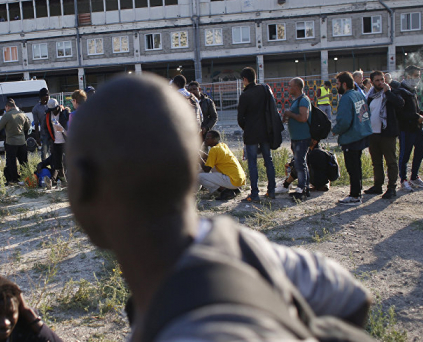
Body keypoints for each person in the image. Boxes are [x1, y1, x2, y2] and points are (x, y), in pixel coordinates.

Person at [65, 74, 373, 341]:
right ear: (189, 169)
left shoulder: (195, 332)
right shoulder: (246, 248)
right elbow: (352, 297)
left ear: (86, 186)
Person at [332, 71, 373, 205]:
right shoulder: (358, 94)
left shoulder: (346, 98)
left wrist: (335, 130)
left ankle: (355, 196)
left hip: (351, 137)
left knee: (352, 167)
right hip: (361, 134)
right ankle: (357, 192)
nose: (336, 86)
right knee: (357, 166)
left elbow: (344, 121)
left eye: (338, 84)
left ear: (344, 84)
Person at [237, 67, 276, 202]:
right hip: (266, 132)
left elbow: (240, 118)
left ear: (245, 79)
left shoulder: (245, 95)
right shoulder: (264, 90)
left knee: (252, 163)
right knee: (268, 160)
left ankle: (254, 194)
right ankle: (271, 191)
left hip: (251, 134)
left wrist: (247, 127)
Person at [364, 71, 404, 199]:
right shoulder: (370, 95)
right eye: (377, 80)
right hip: (373, 133)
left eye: (382, 79)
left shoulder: (391, 92)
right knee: (376, 162)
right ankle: (377, 185)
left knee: (391, 162)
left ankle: (392, 187)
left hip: (387, 133)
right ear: (371, 82)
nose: (381, 82)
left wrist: (388, 92)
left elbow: (400, 104)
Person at [397, 65, 423, 191]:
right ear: (408, 76)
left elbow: (416, 108)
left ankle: (414, 177)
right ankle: (404, 180)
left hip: (417, 127)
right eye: (416, 76)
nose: (418, 78)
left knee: (420, 151)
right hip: (406, 129)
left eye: (419, 76)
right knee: (405, 155)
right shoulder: (401, 91)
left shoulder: (413, 90)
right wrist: (416, 116)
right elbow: (400, 113)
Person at [282, 77, 312, 201]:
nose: (288, 88)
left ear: (297, 87)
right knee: (301, 162)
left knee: (300, 164)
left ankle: (301, 189)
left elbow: (303, 118)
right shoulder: (296, 101)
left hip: (302, 138)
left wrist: (290, 114)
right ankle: (305, 188)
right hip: (296, 137)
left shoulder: (303, 101)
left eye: (290, 86)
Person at [199, 130, 245, 200]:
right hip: (238, 180)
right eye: (206, 137)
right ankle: (233, 189)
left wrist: (199, 159)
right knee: (212, 165)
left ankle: (224, 190)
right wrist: (200, 153)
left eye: (208, 138)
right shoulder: (223, 146)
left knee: (199, 177)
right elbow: (210, 158)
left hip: (232, 181)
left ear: (215, 139)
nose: (206, 139)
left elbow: (206, 169)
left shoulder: (214, 150)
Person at [0, 99, 31, 185]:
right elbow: (28, 126)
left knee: (11, 162)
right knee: (24, 161)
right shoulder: (22, 114)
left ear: (8, 107)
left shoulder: (7, 115)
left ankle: (13, 179)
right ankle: (25, 177)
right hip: (22, 142)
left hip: (11, 143)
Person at [44, 98, 68, 186]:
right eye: (51, 110)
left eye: (54, 110)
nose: (53, 112)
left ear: (58, 107)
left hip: (66, 141)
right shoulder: (47, 115)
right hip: (55, 142)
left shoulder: (64, 113)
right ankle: (63, 181)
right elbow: (45, 128)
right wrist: (49, 138)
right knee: (58, 164)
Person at [31, 88, 51, 161]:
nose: (46, 100)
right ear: (41, 98)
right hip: (44, 133)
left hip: (54, 133)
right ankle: (44, 169)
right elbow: (36, 124)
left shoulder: (51, 104)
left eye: (47, 97)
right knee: (44, 153)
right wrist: (37, 137)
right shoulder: (36, 109)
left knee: (54, 152)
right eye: (44, 98)